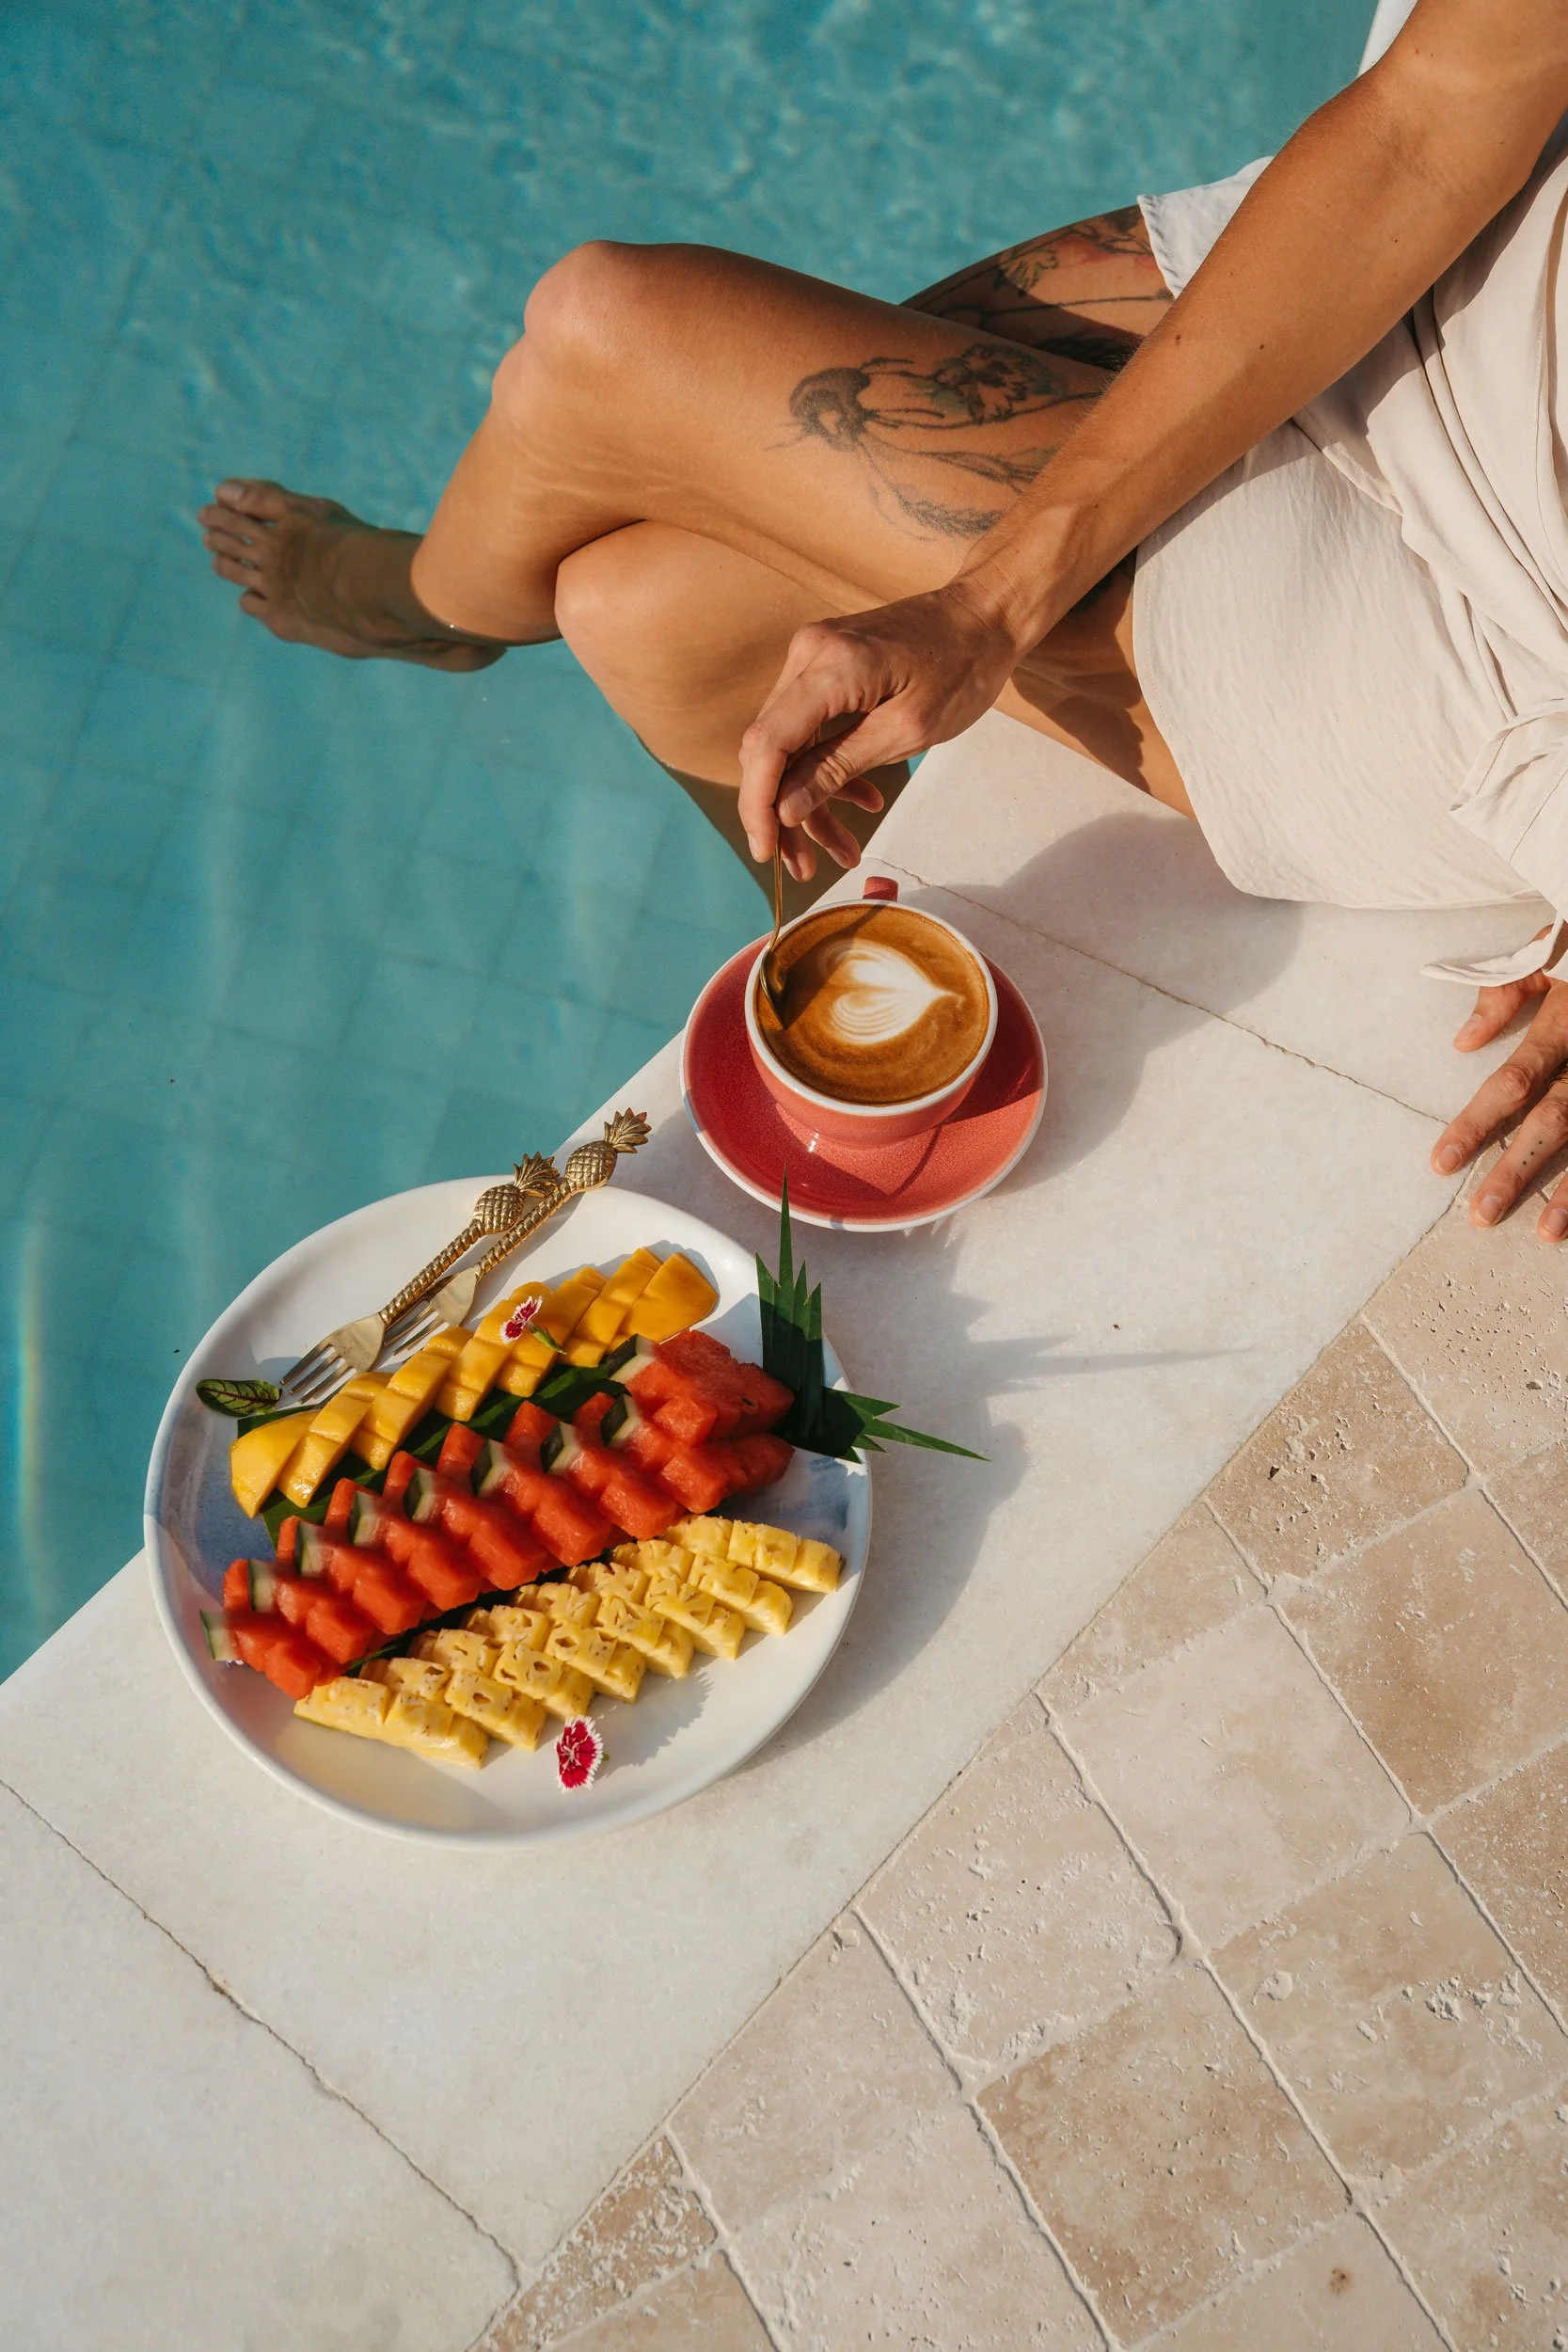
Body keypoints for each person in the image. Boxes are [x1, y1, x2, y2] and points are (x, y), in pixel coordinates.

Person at [200, 0, 1568, 1242]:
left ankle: (419, 606)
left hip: (1469, 616)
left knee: (604, 336)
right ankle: (849, 1001)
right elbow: (1424, 120)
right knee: (641, 605)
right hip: (1433, 259)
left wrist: (988, 603)